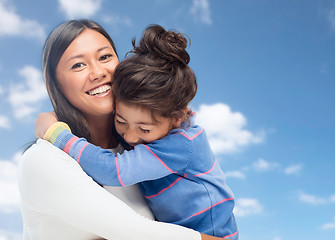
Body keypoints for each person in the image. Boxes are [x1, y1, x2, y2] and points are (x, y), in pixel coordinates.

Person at [17, 19, 224, 240]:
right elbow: (136, 233)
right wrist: (56, 135)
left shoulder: (140, 151)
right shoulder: (43, 160)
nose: (97, 73)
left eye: (105, 57)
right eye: (78, 65)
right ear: (55, 83)